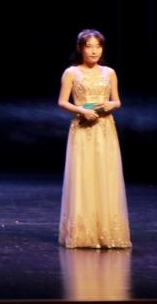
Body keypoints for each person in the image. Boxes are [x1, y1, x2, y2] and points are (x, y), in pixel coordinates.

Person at [57, 29, 131, 248]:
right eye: (89, 46)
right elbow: (62, 101)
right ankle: (84, 233)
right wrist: (81, 110)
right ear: (80, 48)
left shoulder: (109, 73)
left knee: (106, 176)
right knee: (84, 176)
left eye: (98, 46)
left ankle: (107, 232)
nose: (94, 51)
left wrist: (111, 104)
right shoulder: (71, 72)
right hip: (83, 129)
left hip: (105, 129)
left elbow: (117, 101)